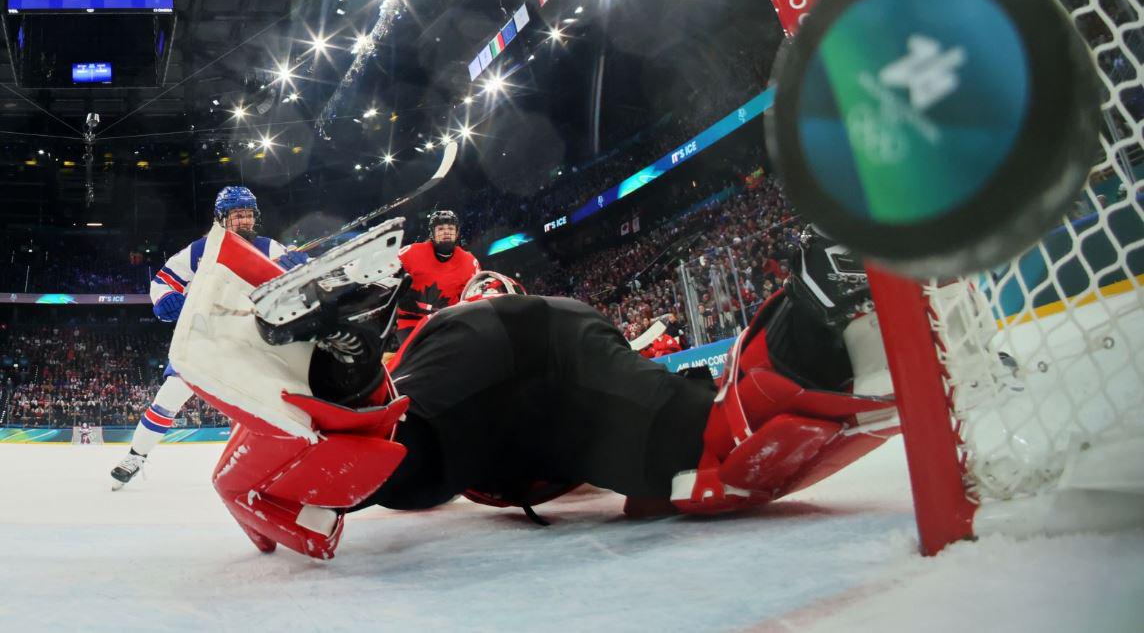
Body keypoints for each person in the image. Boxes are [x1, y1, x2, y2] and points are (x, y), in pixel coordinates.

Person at [170, 221, 900, 559]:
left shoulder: (450, 321)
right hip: (567, 339)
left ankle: (347, 368)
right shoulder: (539, 309)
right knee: (710, 447)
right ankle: (824, 312)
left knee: (407, 457)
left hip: (473, 356)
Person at [109, 186, 308, 490]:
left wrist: (300, 268)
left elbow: (302, 282)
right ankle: (135, 456)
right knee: (169, 396)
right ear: (221, 217)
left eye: (248, 214)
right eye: (237, 215)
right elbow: (162, 282)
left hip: (252, 339)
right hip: (205, 337)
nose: (244, 220)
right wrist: (166, 300)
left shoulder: (269, 248)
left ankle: (287, 464)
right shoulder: (200, 250)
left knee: (274, 404)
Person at [392, 209, 480, 348]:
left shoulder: (469, 262)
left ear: (457, 232)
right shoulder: (412, 252)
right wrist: (399, 295)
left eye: (450, 228)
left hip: (446, 321)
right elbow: (388, 274)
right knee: (423, 355)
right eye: (441, 228)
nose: (446, 232)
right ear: (432, 233)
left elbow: (474, 295)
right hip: (411, 321)